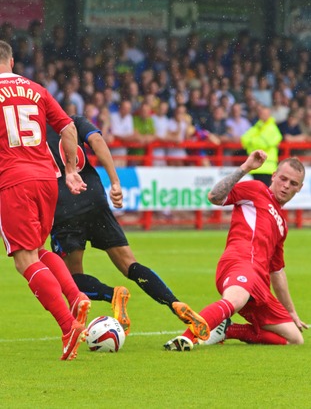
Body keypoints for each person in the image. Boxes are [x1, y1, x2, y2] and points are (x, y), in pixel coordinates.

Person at [47, 114, 210, 341]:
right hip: (94, 196)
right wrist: (115, 182)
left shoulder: (29, 136)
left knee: (71, 277)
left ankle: (111, 295)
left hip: (63, 205)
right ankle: (173, 302)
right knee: (129, 263)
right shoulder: (73, 120)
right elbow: (98, 142)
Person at [0, 40, 90, 361]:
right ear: (10, 62)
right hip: (46, 178)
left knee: (24, 259)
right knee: (38, 250)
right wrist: (70, 171)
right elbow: (67, 127)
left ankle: (68, 327)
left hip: (13, 181)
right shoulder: (36, 89)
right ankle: (76, 296)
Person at [164, 150, 308, 351]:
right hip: (240, 262)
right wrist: (246, 168)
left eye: (293, 184)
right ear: (274, 175)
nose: (286, 186)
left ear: (300, 188)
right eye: (283, 179)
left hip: (260, 282)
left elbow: (277, 271)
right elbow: (214, 196)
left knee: (294, 338)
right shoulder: (257, 189)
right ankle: (186, 338)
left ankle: (229, 330)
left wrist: (291, 312)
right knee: (235, 300)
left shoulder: (282, 224)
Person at [241, 105, 283, 186]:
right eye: (261, 113)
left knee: (263, 194)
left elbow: (263, 143)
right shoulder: (257, 126)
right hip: (255, 167)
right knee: (257, 193)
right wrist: (257, 141)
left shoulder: (272, 128)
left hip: (267, 168)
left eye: (265, 113)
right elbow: (244, 139)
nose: (263, 115)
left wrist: (251, 142)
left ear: (269, 114)